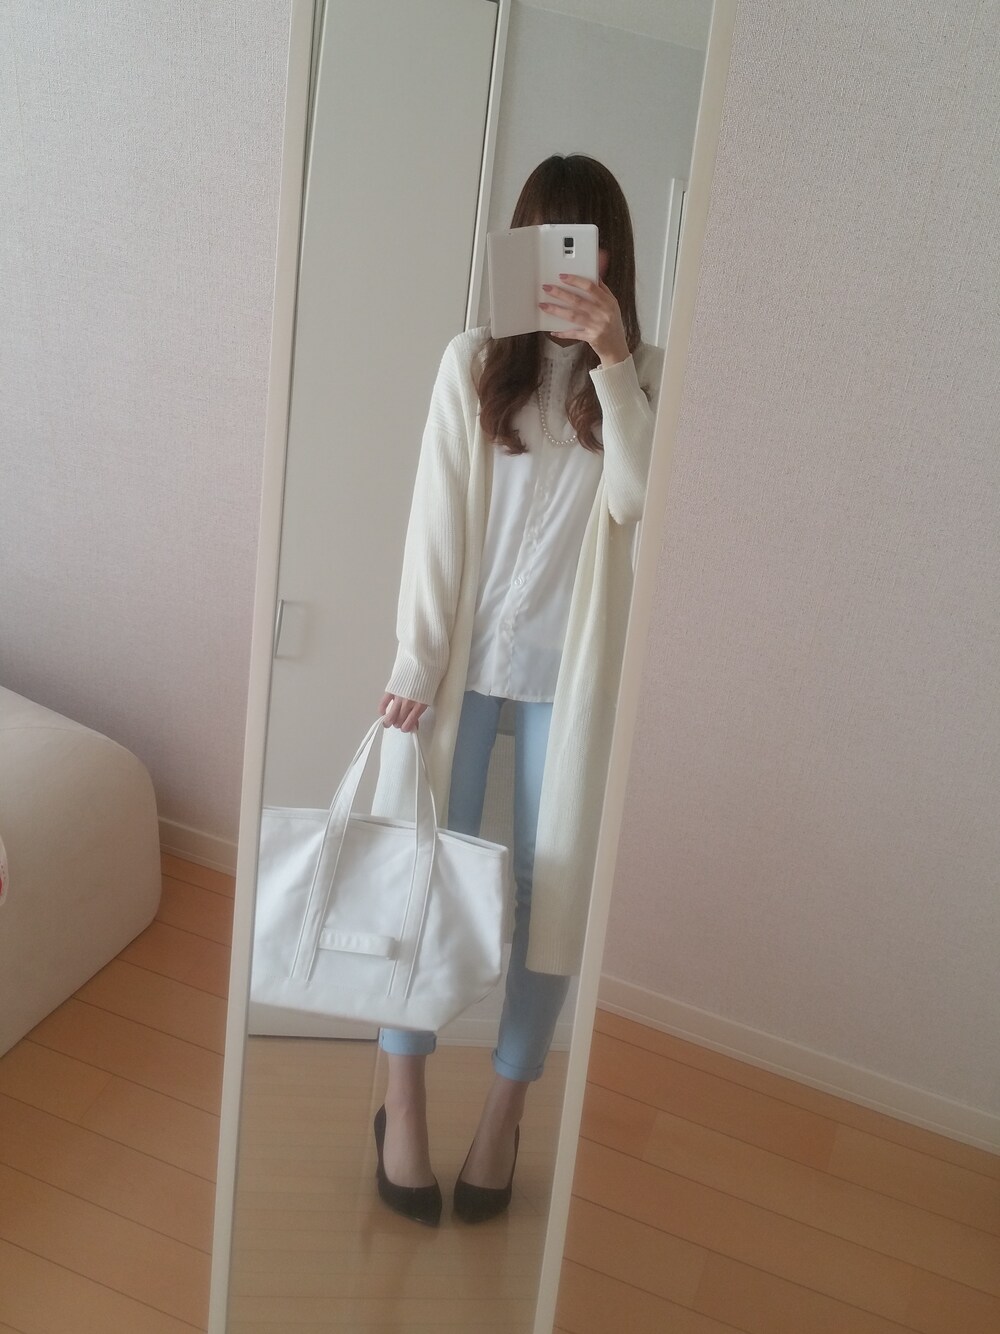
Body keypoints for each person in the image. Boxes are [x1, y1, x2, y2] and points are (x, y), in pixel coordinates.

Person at [372, 154, 664, 1226]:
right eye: (547, 242)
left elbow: (639, 499)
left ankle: (504, 1112)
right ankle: (402, 1102)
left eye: (585, 247)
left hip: (565, 682)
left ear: (613, 261)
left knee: (553, 896)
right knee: (422, 874)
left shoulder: (642, 375)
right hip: (462, 670)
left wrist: (614, 363)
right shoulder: (471, 362)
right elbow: (432, 520)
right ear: (518, 246)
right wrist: (415, 658)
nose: (565, 268)